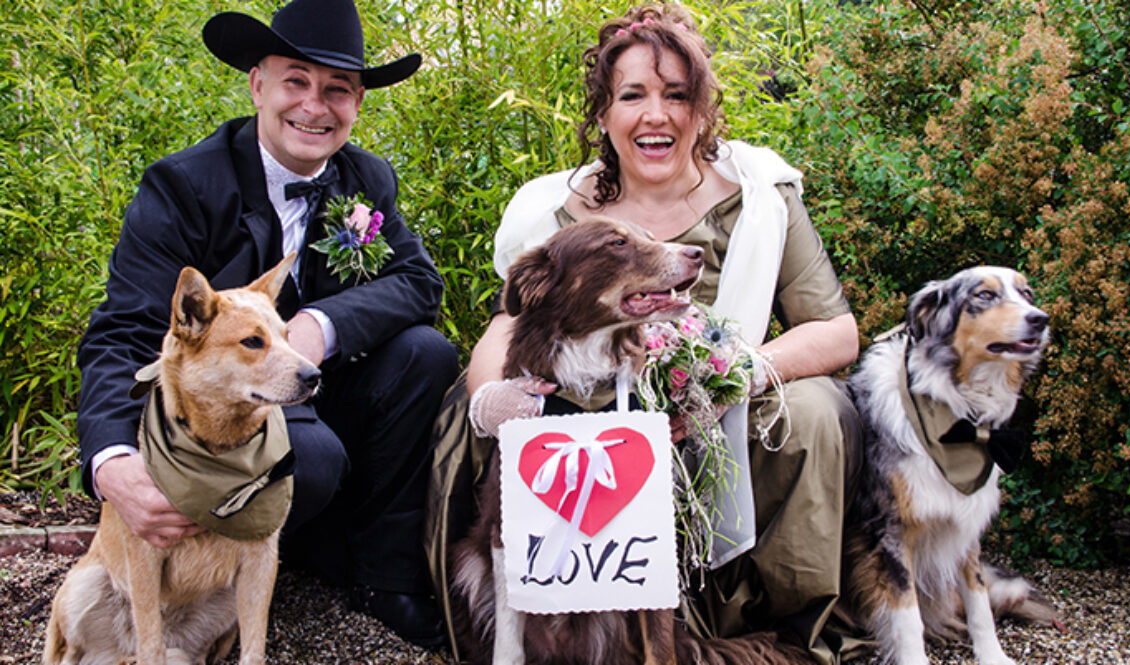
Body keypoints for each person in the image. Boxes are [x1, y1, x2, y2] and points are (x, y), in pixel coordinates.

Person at [425, 4, 864, 663]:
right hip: (587, 418)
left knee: (817, 407)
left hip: (719, 425)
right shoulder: (556, 209)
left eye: (676, 95)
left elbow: (835, 331)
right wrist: (491, 397)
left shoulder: (760, 197)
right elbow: (507, 324)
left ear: (703, 110)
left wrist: (731, 373)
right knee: (467, 400)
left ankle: (765, 624)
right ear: (604, 114)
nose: (655, 114)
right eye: (633, 94)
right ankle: (534, 620)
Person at [76, 0, 458, 648]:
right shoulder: (182, 185)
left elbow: (420, 282)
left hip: (314, 382)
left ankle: (382, 579)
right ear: (257, 83)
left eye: (337, 89)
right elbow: (121, 332)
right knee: (306, 457)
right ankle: (256, 568)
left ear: (358, 102)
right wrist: (112, 460)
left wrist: (318, 323)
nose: (315, 106)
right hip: (224, 417)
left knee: (426, 353)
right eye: (296, 82)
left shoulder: (366, 180)